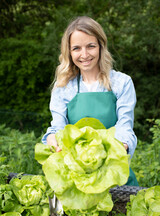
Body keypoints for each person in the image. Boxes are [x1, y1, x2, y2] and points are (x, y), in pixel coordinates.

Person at [42, 16, 138, 186]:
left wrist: (117, 149)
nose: (84, 55)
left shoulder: (122, 83)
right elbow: (58, 127)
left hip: (114, 174)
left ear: (101, 46)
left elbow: (125, 127)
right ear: (69, 52)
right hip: (77, 178)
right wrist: (53, 139)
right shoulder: (63, 87)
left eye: (91, 46)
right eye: (76, 48)